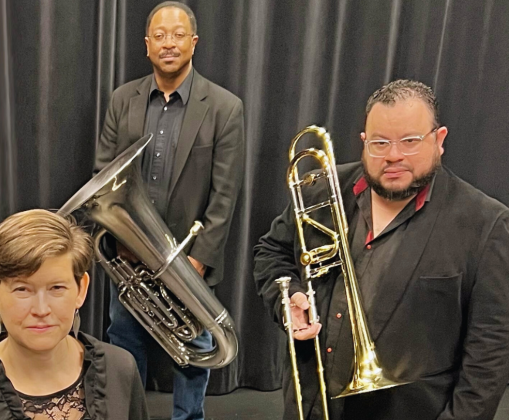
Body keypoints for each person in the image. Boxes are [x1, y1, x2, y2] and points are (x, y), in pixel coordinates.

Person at [254, 79, 509, 420]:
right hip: (311, 406)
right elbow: (271, 252)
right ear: (364, 143)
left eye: (410, 141)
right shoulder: (319, 191)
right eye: (380, 142)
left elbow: (490, 352)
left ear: (439, 139)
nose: (393, 155)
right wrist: (288, 297)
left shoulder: (485, 224)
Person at [94, 2, 245, 419]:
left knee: (194, 348)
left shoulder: (225, 107)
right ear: (147, 45)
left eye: (178, 35)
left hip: (188, 257)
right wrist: (121, 238)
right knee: (125, 340)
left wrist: (200, 258)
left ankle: (188, 417)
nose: (169, 43)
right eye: (159, 35)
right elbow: (103, 175)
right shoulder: (123, 99)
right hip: (130, 253)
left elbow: (225, 194)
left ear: (193, 43)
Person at [0, 209, 149, 419]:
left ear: (81, 290)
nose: (41, 310)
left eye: (57, 288)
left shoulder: (121, 369)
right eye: (22, 289)